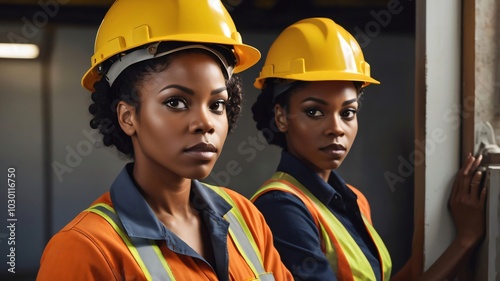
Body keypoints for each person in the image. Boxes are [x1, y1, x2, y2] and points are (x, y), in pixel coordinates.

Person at [37, 0, 293, 280]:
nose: (205, 123)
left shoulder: (246, 217)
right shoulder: (85, 248)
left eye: (217, 104)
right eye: (176, 102)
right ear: (127, 117)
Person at [250, 17, 487, 281]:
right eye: (314, 111)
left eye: (348, 112)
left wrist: (436, 235)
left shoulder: (354, 199)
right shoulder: (280, 205)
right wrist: (465, 241)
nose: (336, 128)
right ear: (281, 117)